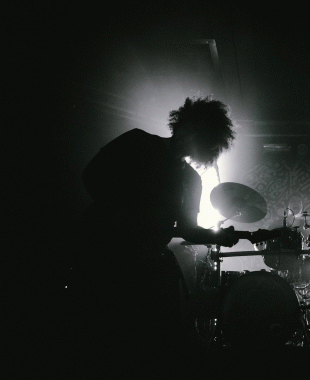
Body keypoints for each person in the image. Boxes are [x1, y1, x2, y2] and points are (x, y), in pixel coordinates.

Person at [70, 96, 240, 363]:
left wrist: (220, 236)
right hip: (103, 254)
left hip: (144, 266)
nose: (190, 137)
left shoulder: (191, 179)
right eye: (192, 128)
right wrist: (124, 215)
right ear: (182, 122)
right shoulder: (138, 141)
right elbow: (91, 175)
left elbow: (188, 230)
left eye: (200, 136)